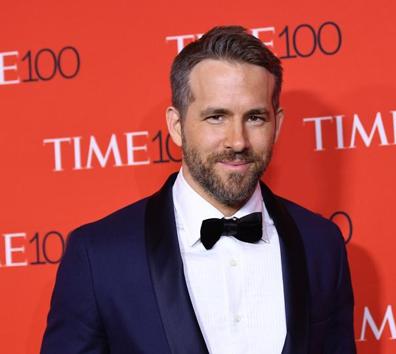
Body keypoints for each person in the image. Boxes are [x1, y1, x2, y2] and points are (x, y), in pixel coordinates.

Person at [41, 26, 356, 354]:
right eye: (216, 117)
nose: (237, 141)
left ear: (277, 124)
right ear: (177, 127)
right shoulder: (99, 255)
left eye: (255, 118)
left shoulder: (320, 244)